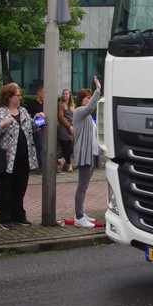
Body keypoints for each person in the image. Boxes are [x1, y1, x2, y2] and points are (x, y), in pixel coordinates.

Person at [0, 82, 38, 229]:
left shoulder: (23, 111)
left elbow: (32, 127)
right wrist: (3, 124)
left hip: (24, 157)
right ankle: (5, 218)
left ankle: (19, 215)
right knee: (5, 189)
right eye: (17, 95)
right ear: (9, 97)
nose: (20, 97)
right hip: (7, 159)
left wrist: (38, 120)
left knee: (20, 187)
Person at [71, 76, 102, 229]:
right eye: (87, 98)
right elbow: (90, 107)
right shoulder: (79, 112)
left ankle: (80, 212)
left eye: (90, 97)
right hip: (84, 155)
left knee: (85, 185)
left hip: (91, 154)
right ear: (81, 100)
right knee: (82, 185)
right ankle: (79, 216)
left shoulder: (88, 116)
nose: (89, 100)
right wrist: (98, 90)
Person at [25, 84, 46, 169]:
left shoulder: (45, 104)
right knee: (40, 147)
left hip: (46, 127)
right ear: (39, 93)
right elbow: (28, 117)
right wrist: (36, 116)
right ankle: (42, 166)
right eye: (44, 93)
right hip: (38, 128)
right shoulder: (32, 103)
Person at [57, 87, 76, 172]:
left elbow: (75, 116)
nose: (64, 95)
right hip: (64, 127)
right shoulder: (60, 104)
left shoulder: (73, 105)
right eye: (63, 94)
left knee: (71, 148)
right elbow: (61, 117)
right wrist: (69, 126)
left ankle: (62, 160)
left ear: (69, 95)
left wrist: (73, 126)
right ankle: (69, 165)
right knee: (65, 147)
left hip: (72, 127)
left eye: (66, 94)